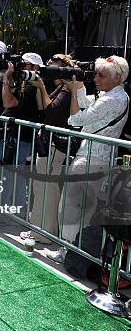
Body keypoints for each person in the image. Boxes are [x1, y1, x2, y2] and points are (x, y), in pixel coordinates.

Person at [47, 55, 129, 263]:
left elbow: (75, 119)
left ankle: (67, 251)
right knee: (86, 210)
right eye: (96, 74)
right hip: (99, 160)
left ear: (118, 77)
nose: (96, 78)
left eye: (101, 75)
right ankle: (77, 254)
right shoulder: (117, 96)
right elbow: (86, 102)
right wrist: (79, 86)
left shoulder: (112, 99)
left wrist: (73, 90)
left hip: (90, 160)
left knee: (70, 207)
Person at [19, 54, 73, 243]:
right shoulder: (59, 87)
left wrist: (41, 87)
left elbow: (51, 111)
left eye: (52, 67)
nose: (47, 70)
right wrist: (38, 88)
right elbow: (43, 108)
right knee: (41, 188)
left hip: (56, 144)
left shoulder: (67, 89)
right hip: (49, 143)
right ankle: (38, 229)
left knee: (47, 189)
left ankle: (44, 233)